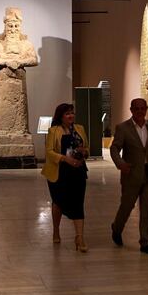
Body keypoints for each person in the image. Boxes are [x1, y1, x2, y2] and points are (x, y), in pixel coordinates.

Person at [110, 98, 148, 255]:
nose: (140, 111)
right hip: (131, 174)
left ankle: (146, 242)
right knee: (126, 206)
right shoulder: (123, 128)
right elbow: (115, 148)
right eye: (137, 108)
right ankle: (117, 228)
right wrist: (120, 164)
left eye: (143, 108)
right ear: (131, 110)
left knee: (147, 209)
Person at [41, 103, 89, 252]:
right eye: (67, 113)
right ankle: (56, 230)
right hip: (59, 172)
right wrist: (64, 158)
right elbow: (49, 152)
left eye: (72, 113)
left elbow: (87, 147)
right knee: (58, 202)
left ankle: (79, 237)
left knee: (78, 203)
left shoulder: (80, 129)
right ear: (60, 116)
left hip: (77, 171)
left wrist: (83, 154)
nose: (71, 116)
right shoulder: (53, 131)